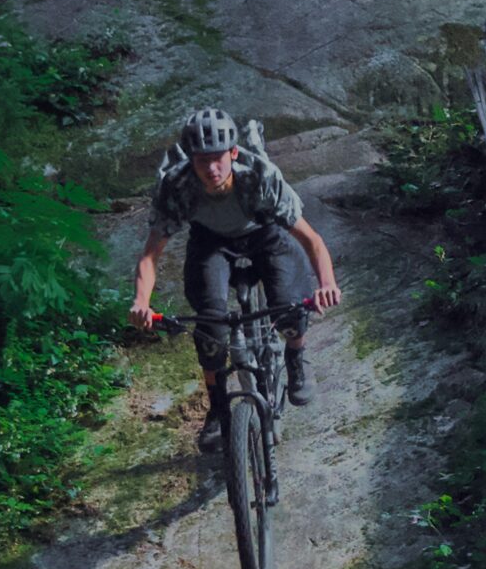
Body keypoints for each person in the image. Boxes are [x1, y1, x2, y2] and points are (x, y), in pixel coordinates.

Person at [129, 106, 342, 452]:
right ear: (190, 160)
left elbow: (311, 240)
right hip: (210, 242)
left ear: (233, 153)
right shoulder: (178, 185)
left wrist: (326, 283)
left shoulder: (260, 176)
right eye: (202, 161)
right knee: (210, 328)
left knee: (289, 308)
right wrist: (141, 302)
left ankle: (296, 358)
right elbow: (151, 254)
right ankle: (217, 409)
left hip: (265, 233)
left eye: (218, 158)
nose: (211, 169)